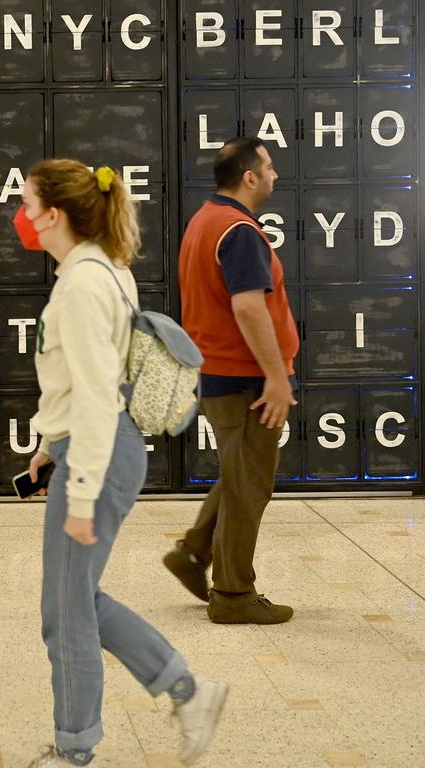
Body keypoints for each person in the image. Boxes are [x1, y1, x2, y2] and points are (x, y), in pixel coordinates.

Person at [17, 159, 228, 768]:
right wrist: (47, 446)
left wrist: (79, 496)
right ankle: (189, 693)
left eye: (28, 203)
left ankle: (75, 748)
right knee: (74, 601)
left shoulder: (82, 284)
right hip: (100, 446)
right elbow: (89, 378)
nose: (22, 215)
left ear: (54, 214)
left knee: (66, 614)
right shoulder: (103, 269)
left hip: (101, 451)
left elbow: (93, 393)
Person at [163, 137, 299, 625]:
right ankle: (233, 595)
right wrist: (276, 377)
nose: (274, 174)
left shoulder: (205, 220)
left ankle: (194, 552)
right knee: (250, 487)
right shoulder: (239, 231)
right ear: (249, 176)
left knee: (240, 474)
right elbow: (247, 305)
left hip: (221, 371)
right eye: (268, 166)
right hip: (246, 379)